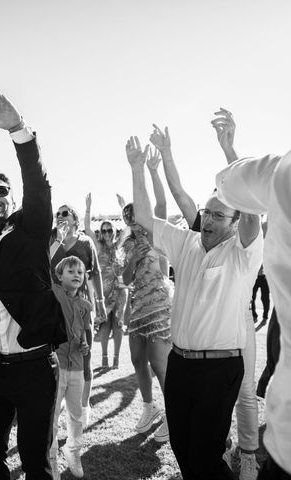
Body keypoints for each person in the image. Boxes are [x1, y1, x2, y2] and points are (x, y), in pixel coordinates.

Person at [126, 134, 262, 480]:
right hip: (180, 365)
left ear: (234, 223)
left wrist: (231, 151)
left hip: (219, 370)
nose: (210, 221)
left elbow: (252, 213)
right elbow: (143, 219)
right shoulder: (186, 242)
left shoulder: (243, 253)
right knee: (183, 450)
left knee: (204, 457)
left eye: (219, 215)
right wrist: (137, 169)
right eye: (207, 213)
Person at [0, 86, 66, 480]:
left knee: (37, 464)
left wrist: (19, 131)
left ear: (11, 200)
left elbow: (38, 187)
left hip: (35, 366)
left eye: (2, 191)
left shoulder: (28, 230)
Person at [215, 150, 291, 479]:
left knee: (245, 392)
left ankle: (247, 454)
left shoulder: (283, 172)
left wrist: (231, 152)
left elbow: (230, 183)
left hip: (286, 445)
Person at [120, 202, 172, 444]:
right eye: (127, 216)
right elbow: (126, 278)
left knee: (159, 363)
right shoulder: (128, 244)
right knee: (137, 359)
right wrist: (134, 259)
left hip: (159, 303)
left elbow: (161, 205)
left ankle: (173, 414)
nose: (131, 219)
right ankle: (149, 408)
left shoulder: (157, 234)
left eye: (134, 214)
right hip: (138, 304)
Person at [50, 204, 104, 425]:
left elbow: (96, 272)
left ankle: (83, 404)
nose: (60, 217)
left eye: (65, 213)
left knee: (85, 354)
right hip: (55, 308)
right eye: (58, 214)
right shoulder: (51, 240)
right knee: (57, 357)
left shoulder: (85, 243)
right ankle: (58, 398)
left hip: (81, 306)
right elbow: (43, 264)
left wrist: (99, 301)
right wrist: (57, 241)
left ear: (74, 219)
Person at [50, 256, 91, 479]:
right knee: (53, 414)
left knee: (76, 415)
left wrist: (84, 346)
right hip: (56, 365)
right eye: (70, 271)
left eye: (80, 272)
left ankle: (73, 450)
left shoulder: (85, 306)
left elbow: (83, 331)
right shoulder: (55, 294)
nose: (76, 275)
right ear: (59, 276)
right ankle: (52, 457)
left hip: (76, 366)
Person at [84, 195, 128, 370]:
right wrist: (88, 208)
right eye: (104, 230)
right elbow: (87, 228)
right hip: (103, 290)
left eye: (110, 230)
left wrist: (123, 206)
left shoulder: (119, 245)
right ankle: (104, 358)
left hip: (120, 290)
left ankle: (116, 359)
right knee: (104, 325)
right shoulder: (99, 246)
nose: (107, 233)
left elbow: (128, 227)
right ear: (101, 233)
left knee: (118, 324)